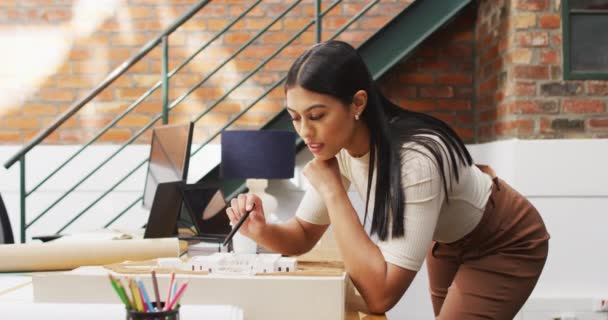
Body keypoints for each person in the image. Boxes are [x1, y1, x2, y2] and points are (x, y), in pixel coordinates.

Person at [224, 40, 549, 319]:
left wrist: (333, 189)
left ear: (358, 103)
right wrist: (261, 229)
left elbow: (381, 295)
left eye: (317, 116)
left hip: (504, 241)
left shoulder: (413, 163)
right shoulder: (338, 146)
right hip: (448, 241)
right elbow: (303, 234)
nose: (305, 132)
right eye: (295, 118)